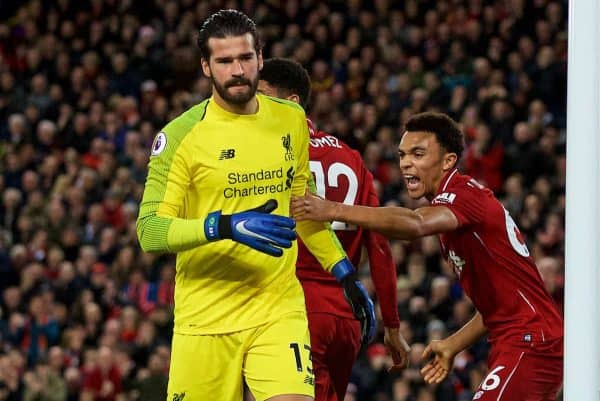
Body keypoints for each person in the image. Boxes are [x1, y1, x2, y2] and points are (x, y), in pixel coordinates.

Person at [136, 10, 375, 401]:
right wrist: (222, 226)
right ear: (206, 67)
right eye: (224, 61)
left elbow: (305, 209)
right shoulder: (180, 136)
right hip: (206, 319)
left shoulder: (291, 119)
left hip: (277, 308)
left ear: (260, 58)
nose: (237, 71)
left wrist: (344, 271)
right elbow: (149, 231)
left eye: (245, 58)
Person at [291, 112, 563, 400]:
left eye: (418, 153)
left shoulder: (463, 196)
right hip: (521, 339)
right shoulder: (456, 212)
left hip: (531, 342)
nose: (406, 162)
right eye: (402, 154)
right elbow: (497, 305)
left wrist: (331, 209)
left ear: (448, 161)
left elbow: (414, 224)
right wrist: (453, 344)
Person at [258, 58, 410, 401]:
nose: (255, 106)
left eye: (264, 96)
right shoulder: (352, 158)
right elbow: (379, 243)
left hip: (296, 307)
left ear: (292, 103)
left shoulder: (272, 156)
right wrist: (393, 325)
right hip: (346, 313)